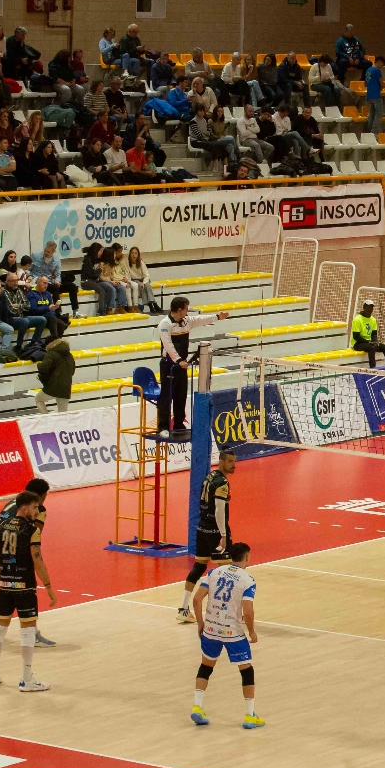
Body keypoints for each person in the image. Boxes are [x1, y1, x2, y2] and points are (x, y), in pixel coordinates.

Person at [0, 491, 57, 692]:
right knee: (27, 629)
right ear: (24, 508)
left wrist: (0, 581)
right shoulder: (32, 530)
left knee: (0, 628)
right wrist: (49, 587)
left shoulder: (1, 527)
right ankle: (26, 679)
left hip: (5, 586)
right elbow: (38, 560)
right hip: (24, 586)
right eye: (34, 507)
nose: (37, 511)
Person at [190, 541, 264, 729]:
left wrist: (200, 623)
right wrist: (251, 631)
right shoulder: (248, 580)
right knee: (246, 670)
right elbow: (248, 611)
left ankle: (197, 706)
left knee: (206, 667)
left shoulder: (214, 572)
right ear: (247, 557)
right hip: (233, 632)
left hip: (211, 629)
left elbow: (197, 599)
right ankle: (249, 715)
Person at [0, 477, 54, 642]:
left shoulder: (14, 501)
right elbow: (33, 533)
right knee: (24, 585)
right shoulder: (38, 508)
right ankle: (33, 634)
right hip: (8, 541)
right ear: (42, 495)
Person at [157, 296, 229, 436]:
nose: (187, 311)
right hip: (169, 365)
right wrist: (178, 360)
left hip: (182, 365)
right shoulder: (165, 324)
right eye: (186, 309)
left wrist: (217, 317)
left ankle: (178, 424)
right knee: (167, 395)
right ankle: (163, 427)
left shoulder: (186, 321)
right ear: (180, 310)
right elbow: (168, 344)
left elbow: (200, 320)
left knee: (181, 395)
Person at [179, 449, 236, 622]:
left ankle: (183, 608)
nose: (233, 465)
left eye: (234, 461)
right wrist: (223, 535)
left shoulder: (210, 476)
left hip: (202, 527)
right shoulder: (222, 483)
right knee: (227, 571)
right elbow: (219, 511)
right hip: (215, 531)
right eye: (230, 462)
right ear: (221, 462)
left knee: (199, 566)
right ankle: (224, 612)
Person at [35, 331, 74, 414]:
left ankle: (47, 418)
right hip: (66, 386)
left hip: (53, 386)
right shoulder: (69, 354)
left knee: (38, 399)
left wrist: (38, 365)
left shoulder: (51, 353)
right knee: (63, 413)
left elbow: (43, 368)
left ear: (50, 344)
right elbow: (72, 370)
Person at [351, 298, 385, 367]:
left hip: (369, 342)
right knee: (371, 348)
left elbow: (374, 333)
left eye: (371, 307)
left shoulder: (373, 320)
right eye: (368, 307)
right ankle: (373, 368)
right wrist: (368, 342)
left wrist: (375, 341)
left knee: (384, 347)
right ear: (364, 307)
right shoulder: (357, 319)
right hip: (358, 343)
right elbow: (356, 336)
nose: (370, 309)